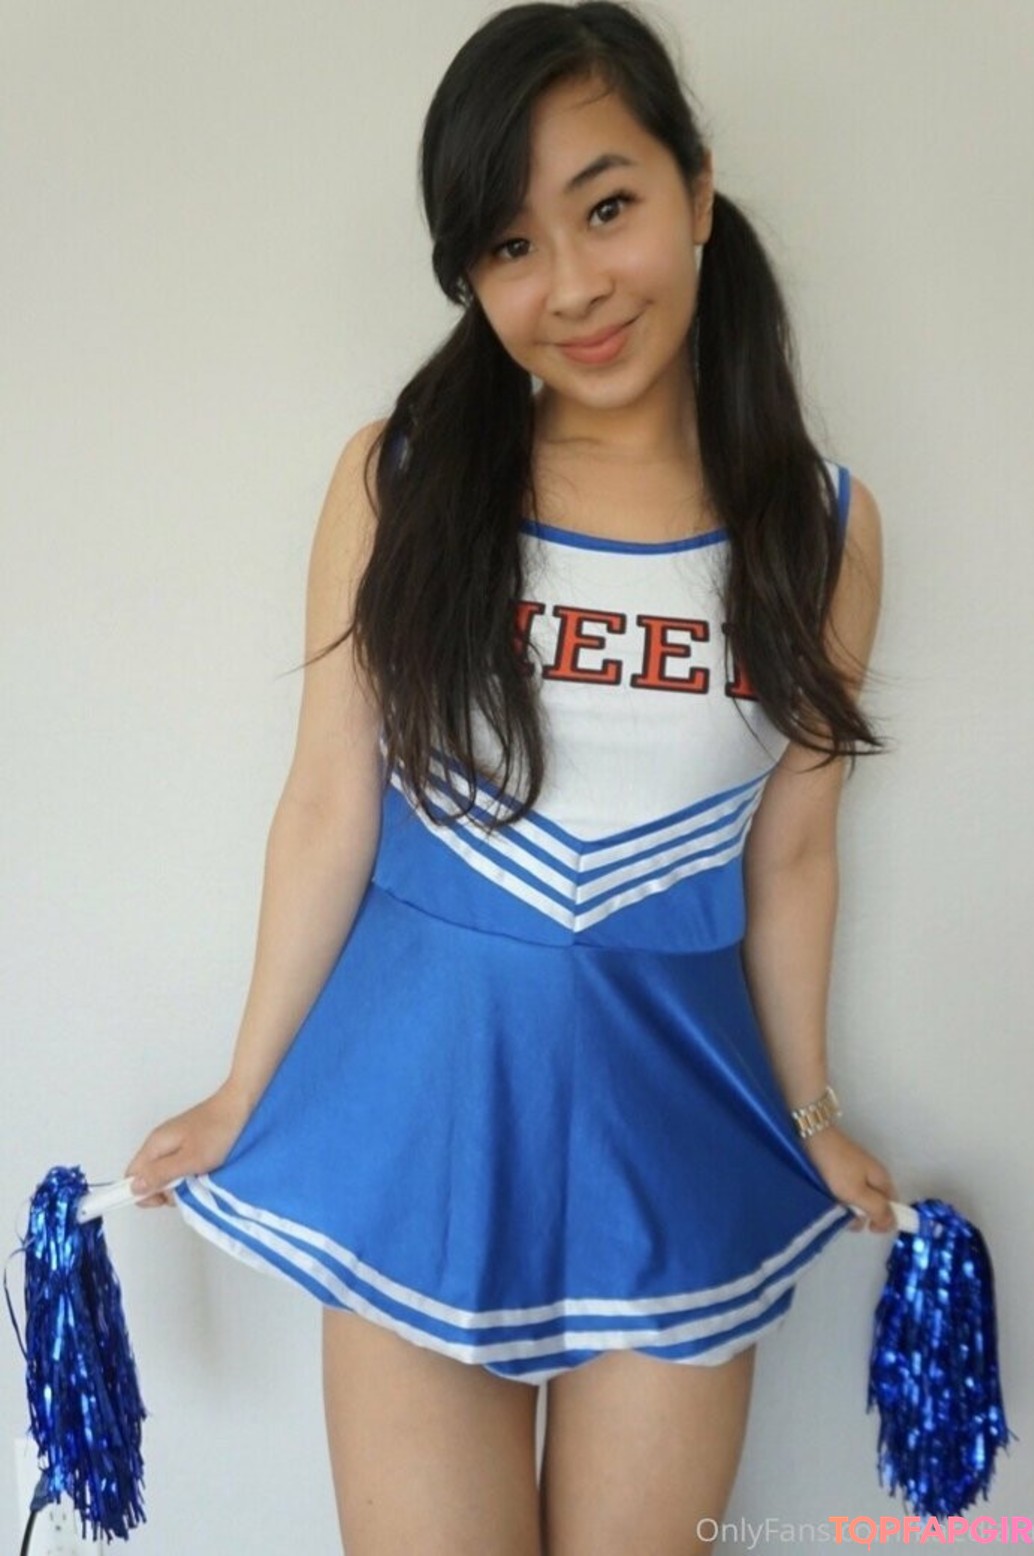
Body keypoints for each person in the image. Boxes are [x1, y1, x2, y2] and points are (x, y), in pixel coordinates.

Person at [124, 3, 900, 1551]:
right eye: (507, 245)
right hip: (419, 1122)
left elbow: (795, 850)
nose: (573, 286)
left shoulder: (821, 530)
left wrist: (812, 1110)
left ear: (696, 187)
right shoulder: (401, 479)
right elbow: (329, 805)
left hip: (674, 1134)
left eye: (607, 207)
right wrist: (244, 1089)